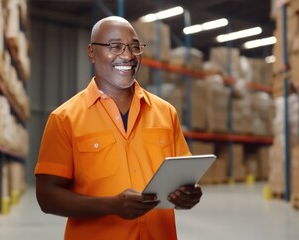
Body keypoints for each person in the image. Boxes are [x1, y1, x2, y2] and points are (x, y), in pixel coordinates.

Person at [34, 16, 202, 240]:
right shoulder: (65, 118)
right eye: (115, 46)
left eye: (134, 46)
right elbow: (47, 196)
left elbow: (183, 178)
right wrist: (111, 206)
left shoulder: (166, 113)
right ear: (91, 53)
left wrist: (189, 194)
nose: (128, 55)